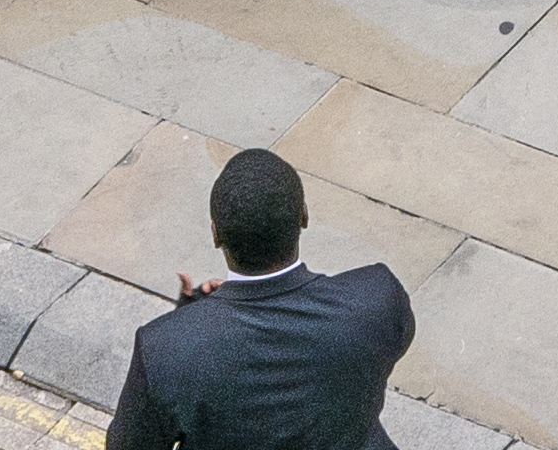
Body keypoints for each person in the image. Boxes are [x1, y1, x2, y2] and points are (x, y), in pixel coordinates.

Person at [102, 149, 415, 450]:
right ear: (303, 216)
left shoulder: (163, 349)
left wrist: (192, 324)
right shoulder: (377, 299)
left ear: (216, 235)